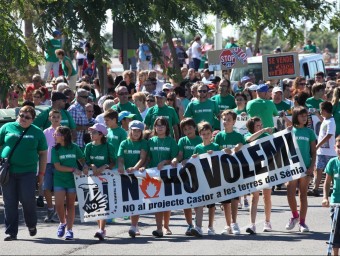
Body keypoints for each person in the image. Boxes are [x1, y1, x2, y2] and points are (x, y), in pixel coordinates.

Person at [0, 106, 47, 241]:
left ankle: (31, 225)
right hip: (8, 171)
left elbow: (43, 153)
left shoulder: (37, 132)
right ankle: (11, 232)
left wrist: (41, 174)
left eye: (27, 117)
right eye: (21, 115)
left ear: (33, 119)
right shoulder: (7, 127)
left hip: (28, 172)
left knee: (28, 201)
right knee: (9, 202)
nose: (23, 119)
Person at [142, 117, 178, 238]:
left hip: (167, 175)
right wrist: (143, 167)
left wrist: (165, 162)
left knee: (166, 202)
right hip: (153, 175)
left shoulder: (171, 141)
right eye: (157, 125)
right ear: (154, 127)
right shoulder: (150, 141)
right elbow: (148, 158)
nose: (160, 127)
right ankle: (158, 228)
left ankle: (166, 226)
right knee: (157, 202)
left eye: (162, 125)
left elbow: (174, 159)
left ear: (167, 127)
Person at [214, 110, 246, 235]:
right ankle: (228, 225)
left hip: (235, 171)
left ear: (233, 122)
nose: (225, 122)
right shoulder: (219, 136)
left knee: (234, 198)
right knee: (225, 200)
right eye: (224, 119)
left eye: (228, 119)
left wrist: (240, 145)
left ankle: (234, 222)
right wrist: (222, 149)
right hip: (223, 171)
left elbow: (245, 146)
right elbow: (215, 150)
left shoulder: (238, 136)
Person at [52, 126, 86, 240]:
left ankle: (70, 230)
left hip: (72, 180)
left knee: (71, 205)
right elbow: (58, 166)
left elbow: (82, 159)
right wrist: (73, 169)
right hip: (59, 180)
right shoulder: (54, 149)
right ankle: (62, 223)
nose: (54, 136)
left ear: (64, 136)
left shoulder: (74, 147)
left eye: (56, 134)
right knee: (59, 204)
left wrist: (85, 166)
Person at [83, 123, 115, 240]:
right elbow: (85, 161)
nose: (91, 134)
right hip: (92, 178)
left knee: (104, 202)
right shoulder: (88, 146)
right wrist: (91, 165)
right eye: (91, 132)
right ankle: (101, 228)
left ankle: (101, 229)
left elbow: (113, 162)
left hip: (106, 179)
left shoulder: (108, 146)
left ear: (101, 135)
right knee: (96, 203)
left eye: (94, 132)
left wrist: (104, 166)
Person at [286, 106, 316, 233]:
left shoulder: (310, 132)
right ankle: (295, 216)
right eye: (302, 116)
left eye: (306, 116)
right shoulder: (289, 130)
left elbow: (314, 152)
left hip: (305, 168)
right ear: (296, 117)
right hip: (291, 168)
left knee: (303, 195)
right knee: (290, 193)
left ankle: (302, 222)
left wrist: (311, 167)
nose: (305, 118)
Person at [170, 118, 202, 236]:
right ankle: (189, 224)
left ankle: (197, 223)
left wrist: (191, 160)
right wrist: (175, 159)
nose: (188, 131)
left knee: (197, 200)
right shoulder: (182, 141)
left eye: (190, 128)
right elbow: (180, 155)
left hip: (198, 174)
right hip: (185, 174)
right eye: (185, 129)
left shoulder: (200, 139)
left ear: (195, 128)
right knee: (186, 201)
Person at [243, 117, 274, 234]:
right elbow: (249, 140)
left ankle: (267, 222)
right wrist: (262, 131)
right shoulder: (247, 135)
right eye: (257, 126)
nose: (261, 127)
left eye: (261, 125)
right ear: (252, 127)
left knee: (267, 197)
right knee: (254, 197)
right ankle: (252, 224)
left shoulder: (266, 137)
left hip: (266, 169)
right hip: (253, 170)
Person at [117, 121, 148, 237]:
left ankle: (133, 226)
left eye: (139, 131)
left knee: (136, 200)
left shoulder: (144, 143)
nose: (136, 133)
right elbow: (120, 157)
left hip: (138, 175)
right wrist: (121, 166)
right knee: (128, 201)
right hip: (126, 175)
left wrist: (134, 168)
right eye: (134, 130)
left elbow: (142, 158)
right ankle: (135, 225)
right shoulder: (124, 143)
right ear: (130, 131)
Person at [191, 121, 220, 237]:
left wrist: (214, 154)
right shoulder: (197, 147)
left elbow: (220, 160)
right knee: (199, 203)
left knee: (211, 205)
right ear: (200, 134)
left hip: (212, 179)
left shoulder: (215, 146)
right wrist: (193, 157)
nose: (206, 136)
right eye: (203, 134)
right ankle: (198, 227)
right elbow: (192, 162)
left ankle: (210, 226)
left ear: (211, 134)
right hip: (200, 179)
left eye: (208, 133)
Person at [308, 101, 336, 197]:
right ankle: (315, 188)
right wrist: (316, 113)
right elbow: (322, 120)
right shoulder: (326, 119)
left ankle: (333, 189)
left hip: (330, 152)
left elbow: (329, 135)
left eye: (320, 110)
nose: (320, 112)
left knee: (331, 172)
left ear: (324, 110)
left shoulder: (331, 121)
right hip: (322, 152)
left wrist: (318, 145)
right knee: (318, 170)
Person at [322, 135, 340, 256]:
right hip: (336, 202)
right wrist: (325, 198)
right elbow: (327, 182)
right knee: (335, 232)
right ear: (334, 147)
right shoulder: (332, 162)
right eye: (338, 147)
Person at [42, 110, 62, 223]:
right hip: (48, 163)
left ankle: (58, 212)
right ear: (50, 118)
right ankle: (50, 209)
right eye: (53, 117)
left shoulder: (64, 131)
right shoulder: (45, 132)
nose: (55, 118)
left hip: (60, 163)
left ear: (60, 118)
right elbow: (43, 148)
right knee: (46, 188)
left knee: (59, 188)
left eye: (57, 116)